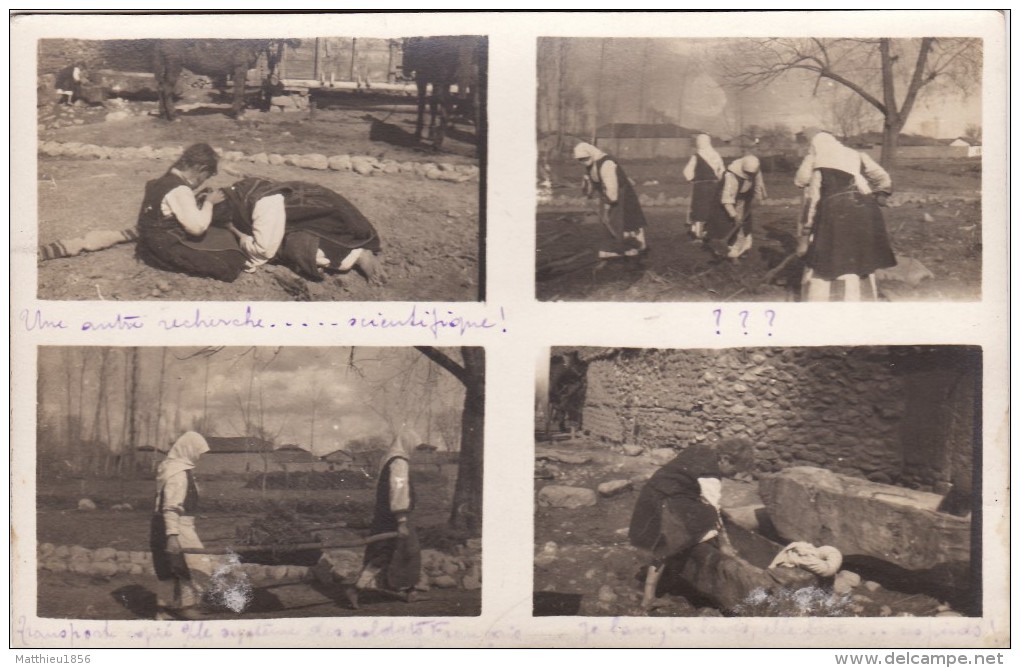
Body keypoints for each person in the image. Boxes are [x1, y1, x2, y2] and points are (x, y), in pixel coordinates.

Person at [628, 438, 756, 609]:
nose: (734, 476)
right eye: (734, 470)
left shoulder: (700, 449)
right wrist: (725, 545)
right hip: (666, 502)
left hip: (653, 495)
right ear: (724, 459)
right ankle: (651, 595)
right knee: (694, 526)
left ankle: (648, 597)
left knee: (662, 546)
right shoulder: (710, 476)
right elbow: (713, 509)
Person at [211, 177, 386, 284]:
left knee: (297, 248)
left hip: (327, 220)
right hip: (308, 209)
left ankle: (357, 255)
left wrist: (235, 231)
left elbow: (263, 251)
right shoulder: (238, 192)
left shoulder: (262, 205)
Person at [794, 130, 897, 301]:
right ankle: (861, 297)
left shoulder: (818, 161)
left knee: (828, 255)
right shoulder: (856, 155)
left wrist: (806, 232)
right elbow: (882, 176)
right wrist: (882, 193)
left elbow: (809, 193)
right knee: (860, 253)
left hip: (834, 212)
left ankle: (826, 299)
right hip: (865, 208)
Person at [137, 143, 248, 282]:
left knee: (221, 238)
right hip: (163, 249)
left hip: (147, 244)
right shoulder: (180, 189)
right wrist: (209, 203)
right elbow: (197, 229)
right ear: (201, 169)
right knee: (231, 262)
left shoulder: (160, 182)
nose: (202, 182)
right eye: (205, 177)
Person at [345, 431, 422, 609]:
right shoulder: (399, 463)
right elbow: (398, 491)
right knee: (387, 553)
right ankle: (356, 589)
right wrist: (401, 520)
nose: (415, 450)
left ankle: (410, 590)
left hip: (388, 515)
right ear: (407, 443)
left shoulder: (390, 460)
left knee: (407, 553)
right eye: (414, 446)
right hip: (395, 517)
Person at [150, 432, 213, 620]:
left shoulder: (170, 468)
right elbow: (170, 506)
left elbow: (170, 502)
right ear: (189, 450)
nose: (199, 456)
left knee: (168, 567)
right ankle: (187, 606)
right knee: (197, 566)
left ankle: (163, 610)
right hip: (177, 526)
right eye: (198, 452)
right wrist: (173, 535)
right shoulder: (178, 474)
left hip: (162, 523)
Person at [573, 142, 649, 259]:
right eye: (580, 159)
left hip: (620, 194)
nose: (583, 161)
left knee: (625, 219)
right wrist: (588, 192)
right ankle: (618, 246)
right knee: (609, 222)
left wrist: (610, 202)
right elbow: (593, 184)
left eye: (585, 158)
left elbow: (612, 186)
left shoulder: (606, 163)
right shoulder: (590, 166)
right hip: (607, 195)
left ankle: (635, 246)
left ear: (591, 154)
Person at [705, 154, 767, 259]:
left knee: (744, 226)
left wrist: (758, 198)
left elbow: (758, 184)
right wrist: (734, 215)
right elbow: (727, 199)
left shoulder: (755, 168)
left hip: (744, 200)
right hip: (727, 202)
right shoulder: (731, 176)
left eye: (752, 174)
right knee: (725, 224)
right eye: (748, 173)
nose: (750, 175)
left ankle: (740, 251)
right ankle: (725, 252)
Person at [682, 134, 725, 241]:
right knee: (712, 208)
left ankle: (698, 234)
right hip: (714, 186)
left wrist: (692, 179)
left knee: (699, 209)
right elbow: (722, 171)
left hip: (700, 187)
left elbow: (687, 172)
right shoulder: (716, 155)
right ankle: (711, 231)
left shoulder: (696, 156)